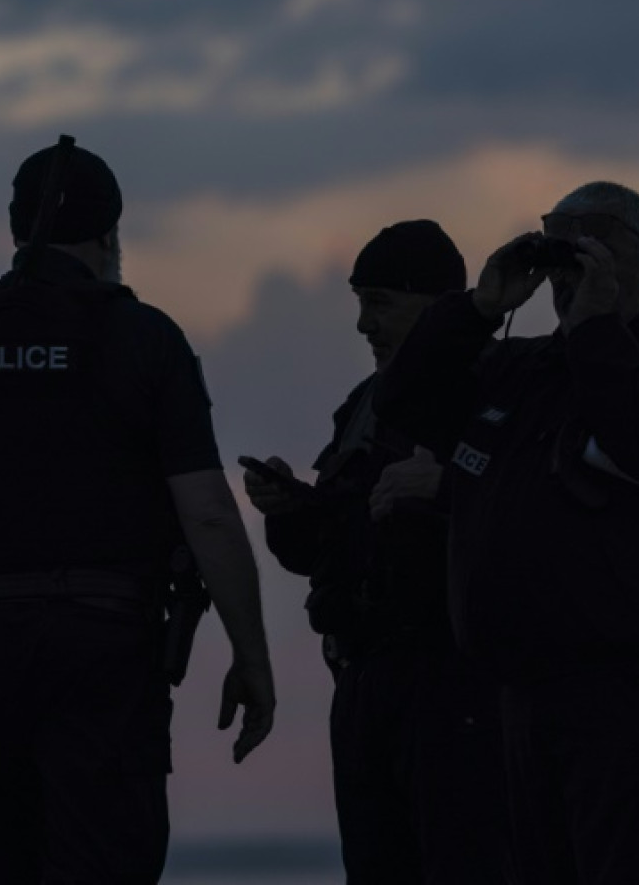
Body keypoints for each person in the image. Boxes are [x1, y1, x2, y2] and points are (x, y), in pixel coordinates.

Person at [0, 139, 276, 884]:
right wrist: (253, 657)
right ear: (111, 236)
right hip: (106, 661)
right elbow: (208, 514)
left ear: (18, 232)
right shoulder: (146, 339)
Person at [376, 183, 639, 885]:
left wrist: (594, 328)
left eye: (599, 247)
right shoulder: (524, 371)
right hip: (523, 700)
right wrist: (478, 308)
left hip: (637, 707)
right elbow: (404, 404)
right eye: (562, 252)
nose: (574, 273)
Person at [242, 220, 508, 885]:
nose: (363, 324)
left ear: (437, 305)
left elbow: (530, 520)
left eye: (380, 303)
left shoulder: (497, 388)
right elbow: (330, 540)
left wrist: (447, 490)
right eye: (360, 302)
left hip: (454, 682)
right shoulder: (362, 407)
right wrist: (289, 509)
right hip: (366, 678)